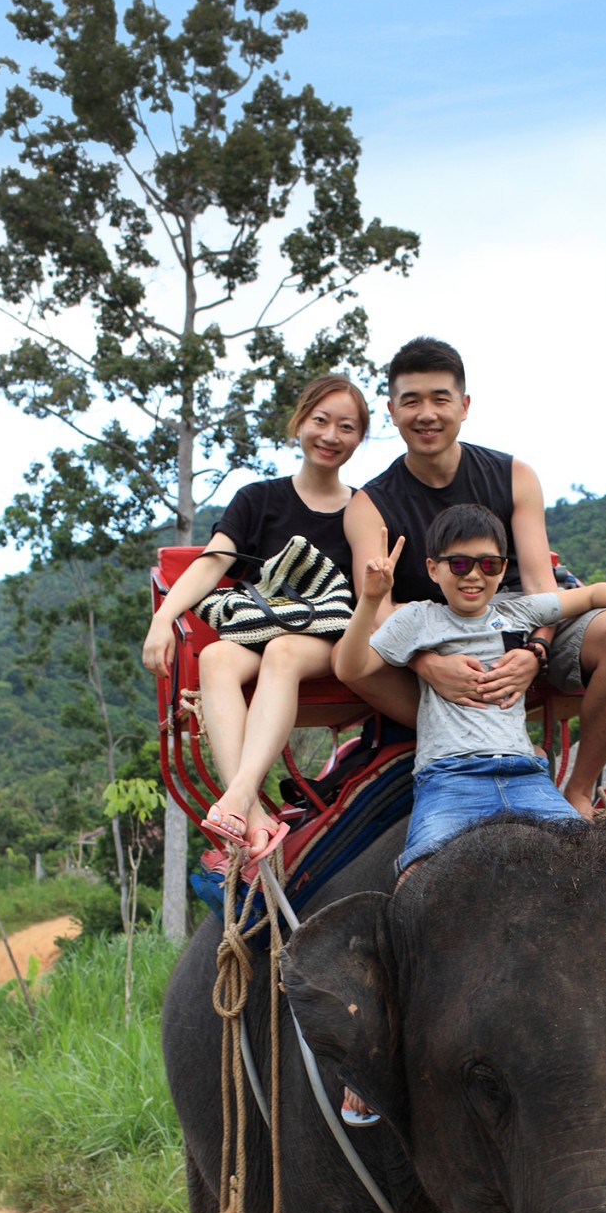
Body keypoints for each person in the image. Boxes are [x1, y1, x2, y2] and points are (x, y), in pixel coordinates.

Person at [339, 336, 606, 819]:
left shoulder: (514, 475)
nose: (427, 414)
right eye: (412, 401)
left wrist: (536, 651)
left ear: (464, 406)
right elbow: (377, 610)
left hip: (515, 623)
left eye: (440, 399)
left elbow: (540, 587)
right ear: (392, 411)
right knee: (356, 660)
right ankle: (461, 744)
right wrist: (425, 662)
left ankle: (580, 789)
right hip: (430, 638)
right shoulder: (369, 504)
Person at [335, 503, 606, 874]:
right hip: (451, 777)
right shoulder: (418, 617)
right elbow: (351, 667)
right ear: (433, 568)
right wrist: (372, 599)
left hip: (524, 774)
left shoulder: (516, 612)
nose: (473, 575)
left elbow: (593, 594)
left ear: (503, 568)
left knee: (591, 867)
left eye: (488, 564)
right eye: (459, 564)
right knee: (419, 873)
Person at [142, 373, 367, 870]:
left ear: (360, 437)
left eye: (347, 427)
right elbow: (213, 560)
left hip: (328, 638)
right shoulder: (259, 498)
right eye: (320, 421)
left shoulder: (363, 508)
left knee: (285, 651)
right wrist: (164, 617)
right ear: (299, 423)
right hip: (263, 630)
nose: (331, 436)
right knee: (217, 655)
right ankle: (257, 815)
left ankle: (237, 798)